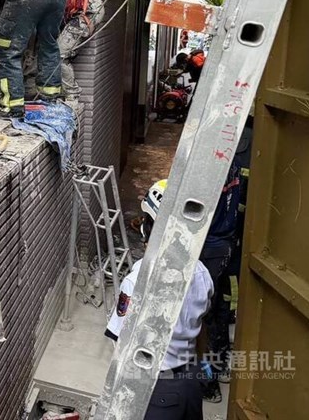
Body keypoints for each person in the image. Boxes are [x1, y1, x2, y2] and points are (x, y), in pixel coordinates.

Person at [107, 179, 214, 420]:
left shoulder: (139, 279)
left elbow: (121, 344)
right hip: (190, 382)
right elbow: (202, 326)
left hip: (157, 391)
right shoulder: (201, 271)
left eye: (146, 221)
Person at [199, 157, 243, 402]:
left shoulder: (209, 167)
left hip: (210, 246)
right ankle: (220, 366)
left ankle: (208, 382)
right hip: (226, 244)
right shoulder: (232, 160)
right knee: (219, 310)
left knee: (206, 315)